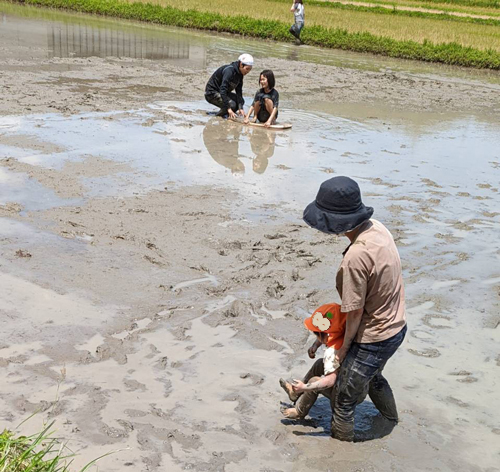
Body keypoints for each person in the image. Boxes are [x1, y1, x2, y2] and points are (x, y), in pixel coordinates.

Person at [301, 176, 407, 442]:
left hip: (374, 335)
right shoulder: (377, 228)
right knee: (373, 376)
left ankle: (340, 449)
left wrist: (344, 350)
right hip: (397, 326)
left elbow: (355, 313)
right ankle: (390, 419)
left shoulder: (355, 258)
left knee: (345, 398)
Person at [280, 303, 353, 419]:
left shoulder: (332, 353)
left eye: (316, 334)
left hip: (344, 395)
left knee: (314, 381)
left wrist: (305, 387)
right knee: (320, 363)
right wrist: (315, 345)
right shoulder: (347, 331)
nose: (316, 337)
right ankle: (295, 393)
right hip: (355, 385)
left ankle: (299, 411)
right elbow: (328, 334)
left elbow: (330, 380)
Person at [205, 53, 254, 119]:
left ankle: (225, 113)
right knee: (232, 105)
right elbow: (223, 90)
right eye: (247, 69)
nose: (248, 71)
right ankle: (218, 117)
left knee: (241, 101)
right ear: (241, 65)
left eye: (250, 69)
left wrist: (240, 108)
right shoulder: (229, 71)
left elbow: (239, 92)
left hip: (222, 92)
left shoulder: (240, 74)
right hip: (211, 93)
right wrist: (229, 108)